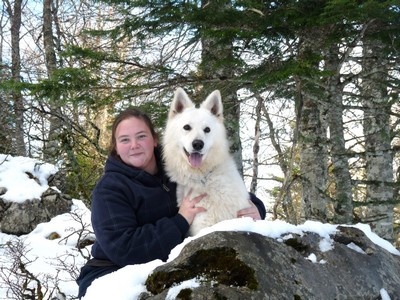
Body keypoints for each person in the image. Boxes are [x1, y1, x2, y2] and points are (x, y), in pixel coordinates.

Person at [76, 107, 266, 298]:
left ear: (155, 140)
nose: (134, 145)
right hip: (112, 271)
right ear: (116, 147)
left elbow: (224, 185)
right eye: (125, 139)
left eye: (141, 136)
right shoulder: (109, 190)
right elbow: (125, 249)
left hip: (170, 265)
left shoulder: (182, 164)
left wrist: (255, 208)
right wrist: (181, 220)